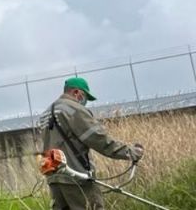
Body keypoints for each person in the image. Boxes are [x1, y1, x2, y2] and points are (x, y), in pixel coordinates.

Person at [39, 77, 144, 210]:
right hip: (76, 176)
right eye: (85, 96)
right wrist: (131, 152)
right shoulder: (73, 109)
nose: (85, 101)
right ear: (76, 92)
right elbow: (99, 139)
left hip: (54, 179)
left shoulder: (46, 113)